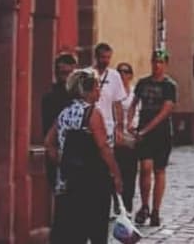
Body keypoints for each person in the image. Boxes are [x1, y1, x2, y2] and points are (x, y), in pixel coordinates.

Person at [45, 68, 122, 244]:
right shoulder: (93, 114)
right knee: (96, 231)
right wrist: (116, 174)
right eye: (96, 88)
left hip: (68, 182)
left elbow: (49, 142)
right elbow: (103, 147)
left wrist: (62, 160)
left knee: (72, 233)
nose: (99, 91)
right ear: (87, 91)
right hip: (92, 182)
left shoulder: (64, 113)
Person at [130, 48, 177, 229]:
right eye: (155, 62)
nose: (157, 65)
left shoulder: (169, 86)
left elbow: (165, 111)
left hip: (161, 133)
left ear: (165, 64)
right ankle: (144, 206)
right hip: (144, 131)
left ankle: (156, 210)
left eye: (160, 62)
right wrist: (129, 121)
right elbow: (134, 103)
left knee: (159, 170)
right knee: (145, 168)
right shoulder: (143, 83)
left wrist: (146, 129)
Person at [90, 42, 126, 217]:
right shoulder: (89, 74)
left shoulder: (115, 76)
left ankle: (115, 201)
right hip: (90, 126)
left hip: (108, 127)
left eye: (108, 58)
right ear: (96, 56)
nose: (105, 61)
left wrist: (120, 127)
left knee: (109, 165)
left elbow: (118, 104)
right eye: (103, 57)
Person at [41, 51, 78, 213]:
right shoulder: (50, 97)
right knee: (59, 198)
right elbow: (47, 128)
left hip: (77, 156)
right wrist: (53, 153)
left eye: (68, 73)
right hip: (58, 152)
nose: (64, 77)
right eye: (61, 73)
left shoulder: (79, 97)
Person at [112, 62, 138, 215]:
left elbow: (138, 111)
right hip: (116, 137)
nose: (123, 74)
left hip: (131, 136)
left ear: (130, 75)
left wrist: (134, 128)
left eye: (126, 71)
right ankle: (118, 202)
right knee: (117, 171)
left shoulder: (134, 93)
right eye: (120, 72)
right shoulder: (113, 93)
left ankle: (127, 203)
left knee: (130, 171)